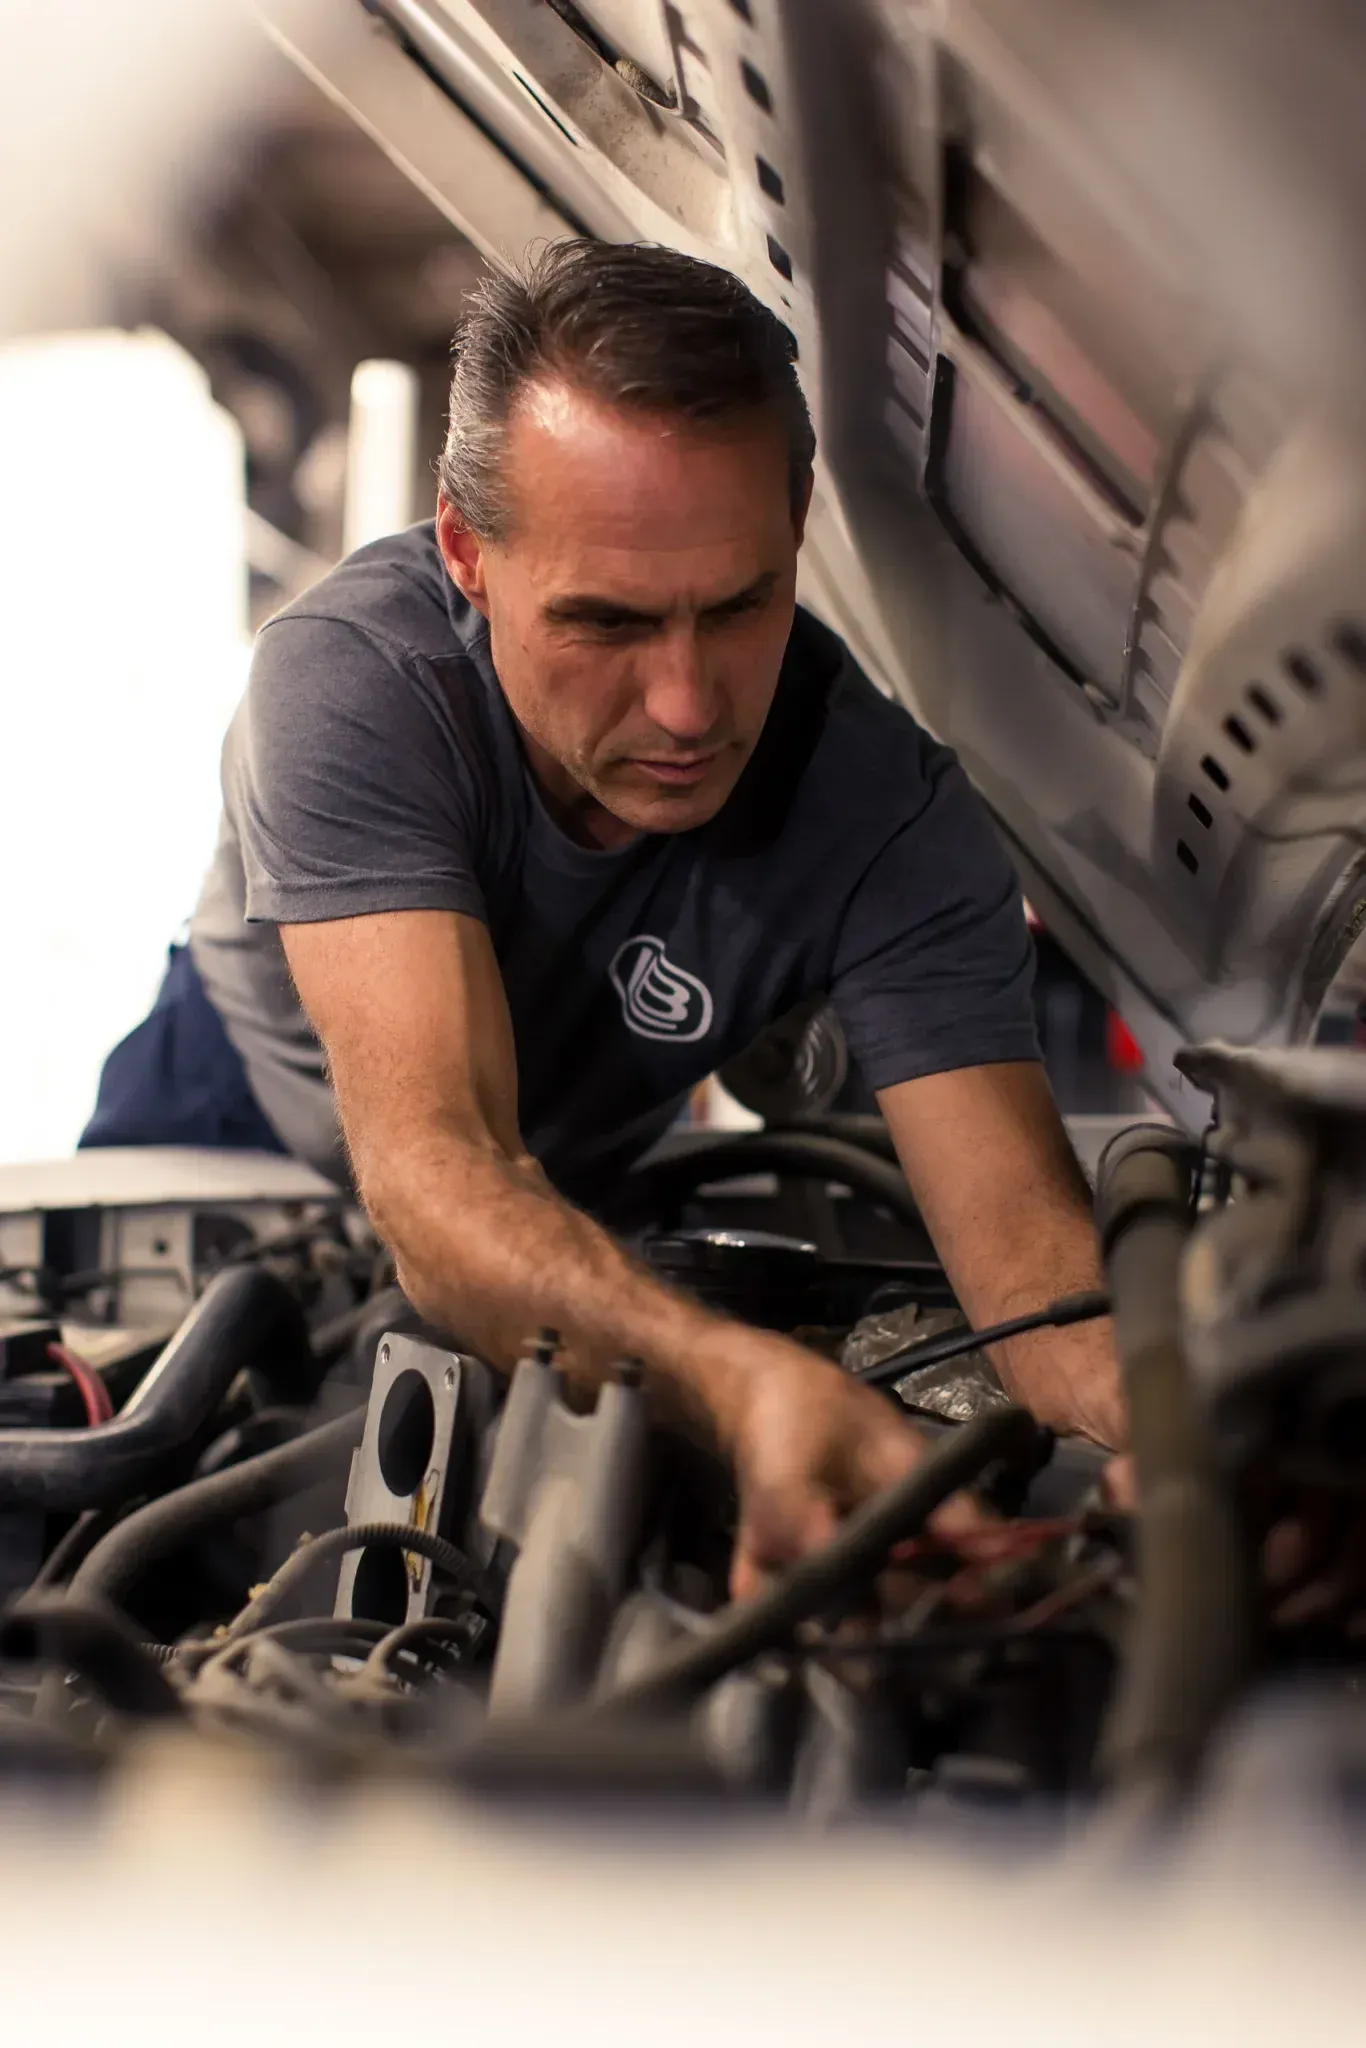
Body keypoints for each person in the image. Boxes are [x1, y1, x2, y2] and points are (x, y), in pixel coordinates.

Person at [84, 239, 1124, 1593]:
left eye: (739, 605)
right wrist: (736, 1389)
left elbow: (1035, 1290)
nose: (690, 707)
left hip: (556, 1195)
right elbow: (438, 1165)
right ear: (466, 551)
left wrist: (1189, 1445)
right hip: (228, 1132)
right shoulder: (358, 685)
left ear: (796, 524)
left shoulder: (892, 820)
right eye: (607, 622)